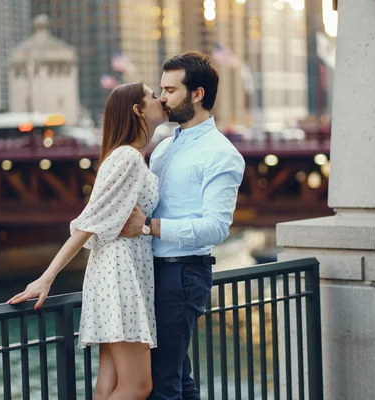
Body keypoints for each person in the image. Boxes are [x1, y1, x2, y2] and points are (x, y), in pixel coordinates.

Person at [7, 82, 168, 400]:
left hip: (119, 271)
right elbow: (88, 224)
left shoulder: (129, 157)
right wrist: (47, 277)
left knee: (109, 383)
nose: (160, 99)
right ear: (137, 110)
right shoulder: (127, 158)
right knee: (138, 385)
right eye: (152, 96)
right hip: (120, 272)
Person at [120, 52, 246, 400]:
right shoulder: (162, 148)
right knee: (177, 378)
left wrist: (149, 227)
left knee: (163, 382)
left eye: (171, 90)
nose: (162, 97)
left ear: (197, 94)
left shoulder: (222, 153)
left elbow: (216, 228)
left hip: (183, 274)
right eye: (161, 89)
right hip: (152, 272)